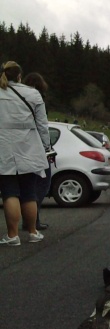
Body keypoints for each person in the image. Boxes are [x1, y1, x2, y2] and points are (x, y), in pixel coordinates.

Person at [0, 61, 50, 246]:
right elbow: (42, 125)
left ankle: (12, 236)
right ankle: (32, 232)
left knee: (10, 192)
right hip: (29, 147)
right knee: (29, 192)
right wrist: (46, 146)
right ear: (20, 76)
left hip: (4, 147)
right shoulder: (33, 93)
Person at [22, 72, 52, 230]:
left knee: (27, 185)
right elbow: (42, 125)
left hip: (22, 146)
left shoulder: (19, 97)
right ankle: (33, 219)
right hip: (37, 146)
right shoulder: (39, 98)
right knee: (43, 184)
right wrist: (47, 146)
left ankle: (27, 219)